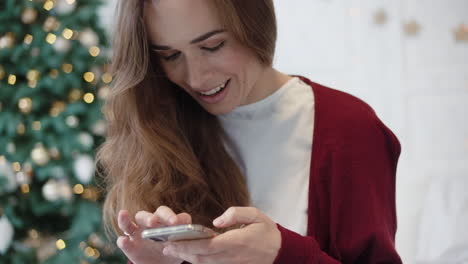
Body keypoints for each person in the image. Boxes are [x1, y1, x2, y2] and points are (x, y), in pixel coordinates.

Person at [96, 0, 403, 263]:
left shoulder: (349, 129)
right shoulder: (159, 131)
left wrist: (281, 254)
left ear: (254, 24)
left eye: (212, 46)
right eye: (170, 55)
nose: (196, 77)